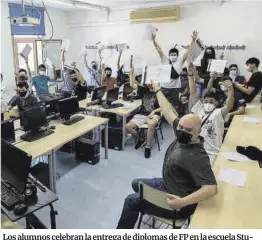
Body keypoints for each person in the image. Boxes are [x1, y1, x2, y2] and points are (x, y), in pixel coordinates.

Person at [117, 85, 217, 229]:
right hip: (169, 183)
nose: (182, 131)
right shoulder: (182, 131)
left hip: (179, 202)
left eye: (189, 130)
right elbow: (167, 109)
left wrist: (182, 203)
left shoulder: (197, 156)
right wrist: (157, 89)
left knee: (131, 200)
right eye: (181, 127)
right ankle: (148, 204)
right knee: (135, 183)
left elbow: (211, 189)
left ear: (198, 131)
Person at [188, 64, 234, 165]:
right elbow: (193, 93)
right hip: (197, 148)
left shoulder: (219, 113)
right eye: (206, 101)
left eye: (211, 102)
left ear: (216, 103)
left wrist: (230, 90)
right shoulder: (199, 108)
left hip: (213, 152)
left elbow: (229, 105)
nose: (208, 103)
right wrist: (190, 76)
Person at [152, 30, 199, 109]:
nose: (173, 56)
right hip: (164, 88)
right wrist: (154, 40)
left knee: (173, 108)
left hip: (175, 90)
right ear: (169, 55)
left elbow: (188, 51)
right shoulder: (165, 60)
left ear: (177, 56)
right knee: (160, 107)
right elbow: (159, 50)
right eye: (171, 54)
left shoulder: (180, 61)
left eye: (175, 54)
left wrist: (193, 40)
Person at [126, 82, 161, 159]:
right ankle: (140, 138)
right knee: (127, 127)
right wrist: (132, 71)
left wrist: (154, 111)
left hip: (154, 114)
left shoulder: (159, 92)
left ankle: (147, 147)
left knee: (151, 125)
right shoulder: (143, 90)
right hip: (142, 114)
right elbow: (133, 84)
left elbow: (163, 107)